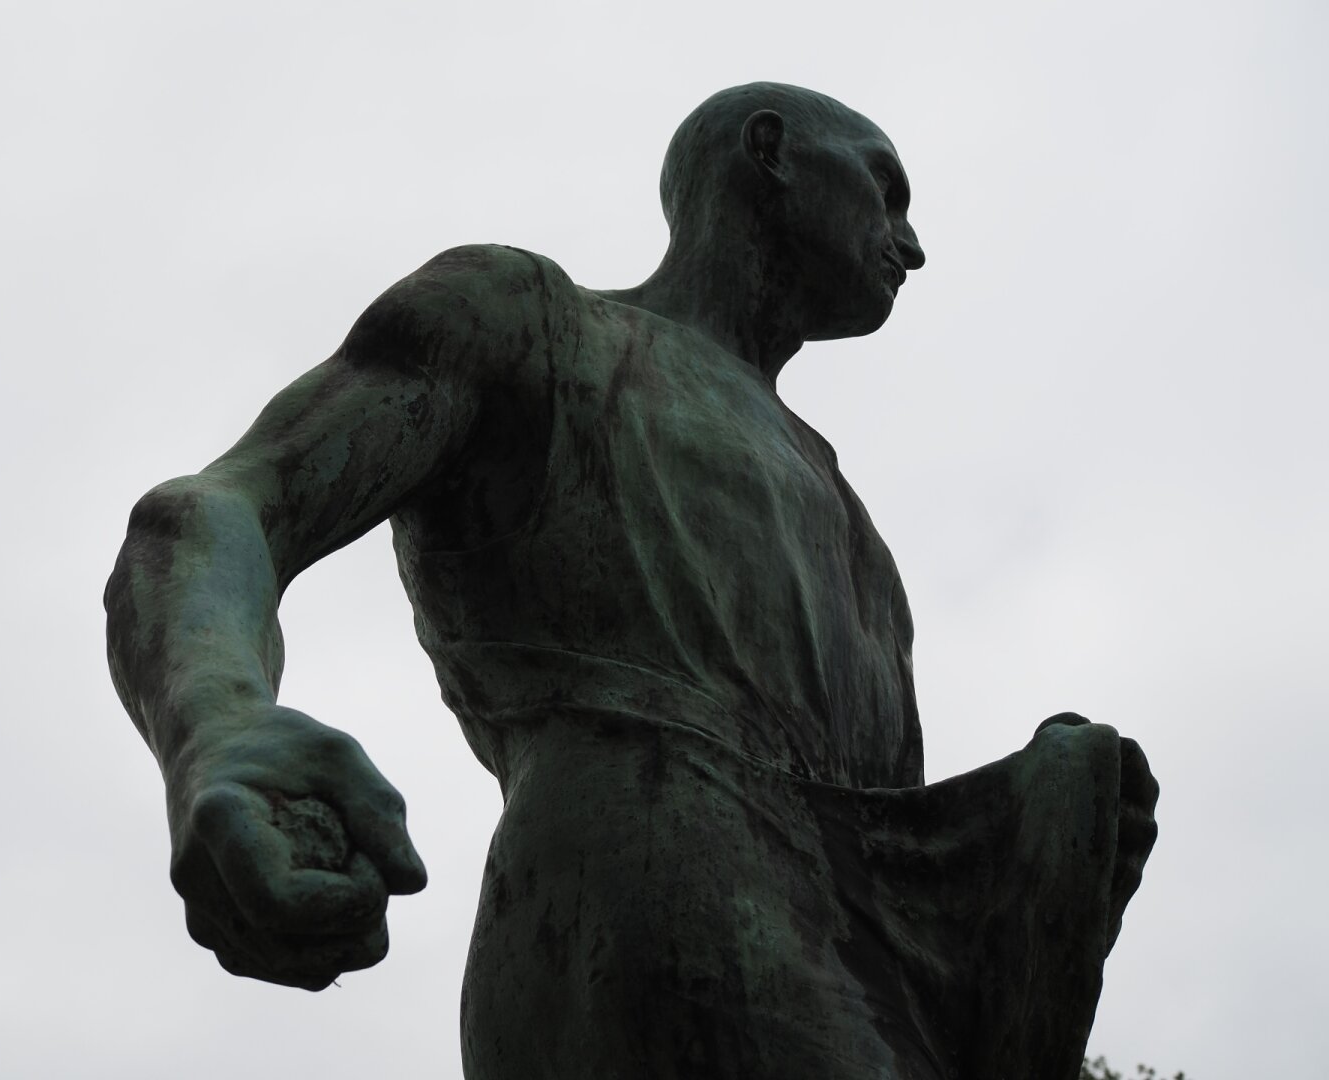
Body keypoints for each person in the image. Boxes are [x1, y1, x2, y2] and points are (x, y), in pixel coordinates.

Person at [106, 83, 1155, 1079]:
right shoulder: (534, 325)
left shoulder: (858, 537)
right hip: (649, 912)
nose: (913, 244)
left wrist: (1027, 852)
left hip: (851, 970)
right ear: (772, 151)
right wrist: (217, 717)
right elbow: (221, 510)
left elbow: (883, 857)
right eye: (886, 187)